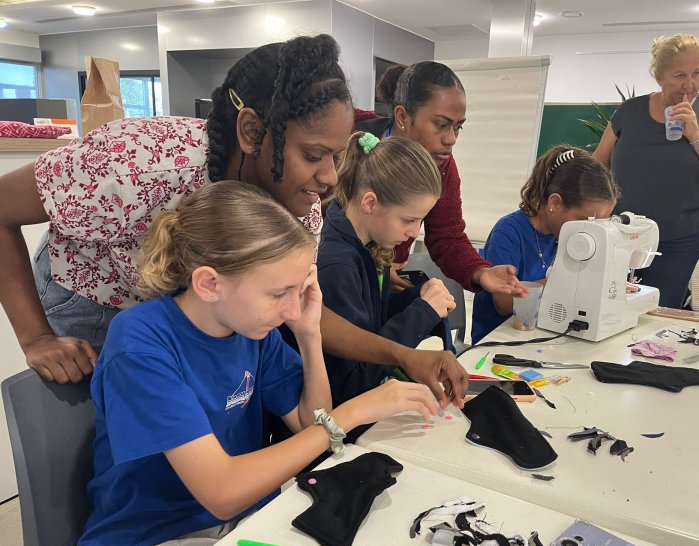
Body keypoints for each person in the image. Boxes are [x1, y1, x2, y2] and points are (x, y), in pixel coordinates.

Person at [0, 34, 467, 404]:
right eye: (313, 155)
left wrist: (402, 354)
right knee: (108, 451)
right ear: (251, 131)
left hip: (185, 314)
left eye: (338, 156)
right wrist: (36, 336)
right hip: (93, 305)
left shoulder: (301, 206)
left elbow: (308, 313)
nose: (329, 178)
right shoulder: (134, 163)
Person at [78, 181, 439, 546]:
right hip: (154, 540)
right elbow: (222, 492)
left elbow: (309, 424)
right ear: (209, 284)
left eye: (299, 289)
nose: (291, 309)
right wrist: (352, 413)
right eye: (279, 293)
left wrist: (310, 335)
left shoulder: (251, 328)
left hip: (242, 518)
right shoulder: (140, 343)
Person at [593, 33, 699, 308]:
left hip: (678, 242)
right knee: (611, 308)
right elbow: (597, 165)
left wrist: (696, 134)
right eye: (679, 75)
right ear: (659, 76)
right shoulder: (629, 112)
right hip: (623, 236)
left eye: (696, 73)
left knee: (660, 313)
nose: (689, 85)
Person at [355, 62, 526, 299]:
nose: (451, 139)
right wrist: (372, 266)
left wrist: (481, 272)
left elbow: (447, 237)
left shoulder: (442, 166)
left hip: (378, 292)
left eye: (458, 127)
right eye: (441, 125)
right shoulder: (351, 141)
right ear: (402, 117)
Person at [318, 132, 457, 410]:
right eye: (409, 219)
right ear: (370, 203)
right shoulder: (337, 266)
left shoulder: (368, 243)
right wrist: (423, 312)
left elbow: (370, 323)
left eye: (420, 221)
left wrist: (418, 297)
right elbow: (351, 383)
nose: (414, 232)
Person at [471, 146, 620, 343]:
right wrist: (567, 278)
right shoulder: (509, 232)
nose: (590, 230)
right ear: (555, 203)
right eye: (585, 220)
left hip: (544, 331)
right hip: (498, 339)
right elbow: (503, 303)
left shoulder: (566, 236)